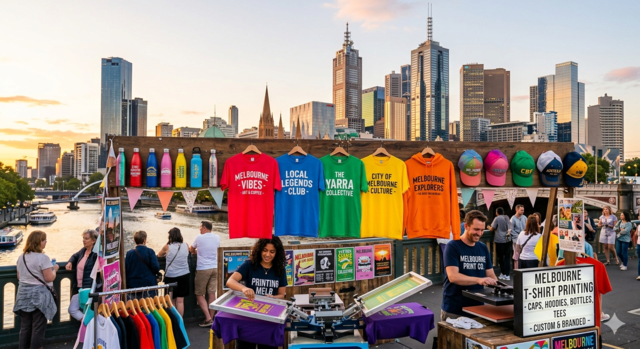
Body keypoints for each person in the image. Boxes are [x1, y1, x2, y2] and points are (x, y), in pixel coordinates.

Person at [227, 236, 288, 349]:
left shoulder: (280, 269)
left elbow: (282, 295)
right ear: (259, 249)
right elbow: (230, 281)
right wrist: (244, 289)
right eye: (265, 250)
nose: (267, 254)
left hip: (268, 320)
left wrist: (274, 297)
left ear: (277, 253)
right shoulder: (250, 265)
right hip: (248, 318)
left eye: (272, 251)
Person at [441, 210, 497, 321]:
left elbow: (491, 275)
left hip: (478, 309)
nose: (480, 234)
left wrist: (497, 284)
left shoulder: (483, 248)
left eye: (482, 230)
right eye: (476, 229)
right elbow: (453, 277)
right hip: (455, 309)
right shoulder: (453, 246)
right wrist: (479, 280)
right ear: (466, 226)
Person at [14, 230, 58, 349]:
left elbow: (19, 276)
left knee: (25, 327)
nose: (46, 242)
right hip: (39, 297)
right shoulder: (43, 258)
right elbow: (49, 278)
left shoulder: (21, 257)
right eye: (44, 240)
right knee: (38, 328)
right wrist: (55, 269)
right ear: (38, 242)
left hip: (23, 295)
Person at [190, 220, 220, 328]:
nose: (199, 229)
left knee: (199, 293)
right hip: (215, 267)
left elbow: (191, 249)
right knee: (212, 292)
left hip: (203, 268)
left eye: (200, 227)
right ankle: (212, 318)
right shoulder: (217, 237)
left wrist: (197, 252)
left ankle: (207, 318)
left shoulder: (199, 237)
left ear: (204, 228)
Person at [65, 229, 99, 321]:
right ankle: (90, 325)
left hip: (88, 289)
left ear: (93, 240)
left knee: (75, 309)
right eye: (83, 238)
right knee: (77, 310)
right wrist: (70, 262)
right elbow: (74, 256)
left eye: (86, 238)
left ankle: (90, 324)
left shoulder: (95, 254)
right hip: (79, 288)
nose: (83, 240)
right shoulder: (83, 251)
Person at [157, 228, 190, 316]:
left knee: (171, 300)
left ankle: (173, 321)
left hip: (171, 276)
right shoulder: (186, 245)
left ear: (170, 236)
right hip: (184, 275)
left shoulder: (167, 246)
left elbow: (159, 255)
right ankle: (180, 322)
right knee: (180, 301)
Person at [125, 230, 160, 299]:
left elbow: (126, 269)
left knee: (135, 307)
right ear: (144, 240)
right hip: (148, 286)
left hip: (133, 286)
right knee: (149, 307)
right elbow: (156, 267)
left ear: (135, 240)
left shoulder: (129, 253)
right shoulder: (150, 252)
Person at [488, 207, 512, 280]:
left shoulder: (497, 218)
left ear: (497, 212)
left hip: (500, 240)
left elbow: (492, 229)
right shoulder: (507, 217)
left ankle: (503, 273)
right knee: (507, 257)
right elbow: (510, 226)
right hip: (508, 239)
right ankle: (507, 275)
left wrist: (488, 227)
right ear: (503, 212)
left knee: (501, 257)